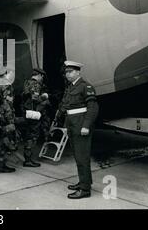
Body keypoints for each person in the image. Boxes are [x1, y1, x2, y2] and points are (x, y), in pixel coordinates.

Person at [56, 61, 99, 199]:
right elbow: (67, 106)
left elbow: (93, 108)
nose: (68, 74)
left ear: (78, 72)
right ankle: (84, 182)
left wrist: (86, 126)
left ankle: (85, 190)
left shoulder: (85, 86)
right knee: (78, 156)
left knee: (82, 157)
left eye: (71, 72)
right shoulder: (71, 87)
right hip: (72, 125)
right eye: (66, 72)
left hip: (81, 125)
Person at [21, 68, 50, 167]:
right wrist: (45, 97)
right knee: (32, 136)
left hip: (28, 112)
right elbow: (35, 98)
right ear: (40, 75)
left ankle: (28, 159)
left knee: (29, 134)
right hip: (34, 114)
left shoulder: (27, 83)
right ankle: (28, 160)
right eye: (42, 77)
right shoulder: (36, 84)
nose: (42, 79)